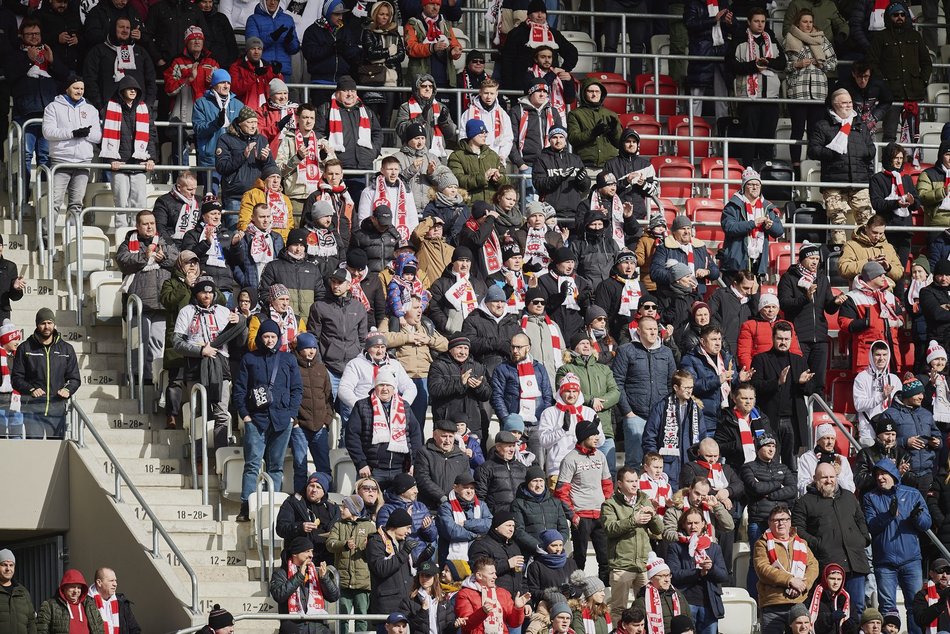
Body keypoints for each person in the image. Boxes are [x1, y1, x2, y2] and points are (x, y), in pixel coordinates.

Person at [232, 318, 300, 520]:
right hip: (256, 419)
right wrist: (245, 415)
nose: (270, 340)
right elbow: (240, 389)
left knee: (276, 466)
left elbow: (297, 389)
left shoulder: (288, 359)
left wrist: (291, 414)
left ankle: (273, 509)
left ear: (278, 338)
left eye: (273, 337)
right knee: (252, 465)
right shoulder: (249, 359)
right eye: (266, 336)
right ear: (260, 337)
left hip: (282, 420)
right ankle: (246, 506)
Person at [792, 463, 870, 623]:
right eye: (824, 477)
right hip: (828, 564)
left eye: (832, 477)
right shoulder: (804, 502)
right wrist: (818, 544)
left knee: (857, 608)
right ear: (815, 479)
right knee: (830, 611)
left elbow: (860, 519)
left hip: (855, 563)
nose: (829, 480)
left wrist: (863, 539)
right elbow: (798, 529)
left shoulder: (849, 497)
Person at [864, 459, 932, 634]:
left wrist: (917, 518)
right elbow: (871, 526)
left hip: (911, 560)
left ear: (893, 474)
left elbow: (927, 524)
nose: (880, 478)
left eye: (883, 474)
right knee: (888, 609)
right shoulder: (870, 497)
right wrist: (889, 515)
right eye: (877, 475)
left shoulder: (913, 494)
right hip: (884, 563)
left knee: (915, 606)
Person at [115, 210, 180, 384]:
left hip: (162, 303)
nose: (150, 227)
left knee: (158, 342)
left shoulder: (165, 241)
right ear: (137, 226)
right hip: (139, 304)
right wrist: (145, 256)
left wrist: (162, 259)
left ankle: (154, 377)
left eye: (152, 223)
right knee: (138, 342)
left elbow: (178, 261)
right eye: (145, 224)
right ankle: (136, 377)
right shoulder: (128, 243)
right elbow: (124, 262)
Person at [807, 88, 876, 245]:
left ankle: (863, 252)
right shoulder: (823, 125)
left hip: (859, 181)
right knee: (838, 221)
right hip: (833, 182)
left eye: (850, 102)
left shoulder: (860, 125)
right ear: (834, 105)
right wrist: (833, 152)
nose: (849, 105)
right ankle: (840, 253)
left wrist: (862, 152)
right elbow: (813, 150)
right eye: (844, 103)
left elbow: (871, 149)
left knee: (866, 219)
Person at [750, 320, 818, 469]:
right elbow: (755, 386)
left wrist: (802, 383)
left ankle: (791, 485)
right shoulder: (760, 359)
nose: (783, 342)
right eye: (780, 338)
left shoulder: (799, 361)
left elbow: (810, 389)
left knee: (792, 465)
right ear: (773, 338)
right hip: (769, 420)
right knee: (769, 464)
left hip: (793, 420)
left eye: (786, 339)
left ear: (791, 339)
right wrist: (777, 382)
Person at [777, 242, 845, 390]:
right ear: (802, 259)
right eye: (811, 258)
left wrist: (835, 302)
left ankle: (817, 404)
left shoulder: (822, 279)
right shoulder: (789, 278)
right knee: (797, 379)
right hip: (799, 337)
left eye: (817, 259)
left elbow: (829, 308)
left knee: (818, 381)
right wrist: (805, 298)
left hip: (820, 338)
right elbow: (784, 304)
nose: (815, 262)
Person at [345, 367, 424, 490]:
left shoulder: (404, 406)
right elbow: (352, 436)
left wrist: (414, 462)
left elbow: (415, 435)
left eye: (388, 385)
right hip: (372, 470)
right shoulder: (362, 406)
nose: (385, 389)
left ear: (394, 388)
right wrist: (361, 463)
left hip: (400, 470)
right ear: (375, 387)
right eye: (381, 385)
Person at [602, 467, 664, 624]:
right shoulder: (610, 504)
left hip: (643, 565)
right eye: (630, 481)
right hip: (621, 564)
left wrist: (653, 515)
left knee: (647, 608)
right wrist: (633, 521)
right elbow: (610, 529)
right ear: (619, 484)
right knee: (619, 609)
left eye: (636, 481)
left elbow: (659, 530)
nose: (635, 484)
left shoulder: (644, 500)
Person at [555, 420, 613, 585]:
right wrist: (572, 516)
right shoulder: (570, 459)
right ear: (583, 437)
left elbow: (607, 484)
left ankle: (604, 589)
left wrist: (607, 508)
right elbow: (561, 492)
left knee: (605, 558)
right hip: (581, 516)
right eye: (593, 435)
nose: (597, 438)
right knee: (580, 557)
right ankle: (576, 590)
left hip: (600, 515)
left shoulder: (600, 456)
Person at [741, 432, 798, 599]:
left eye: (773, 446)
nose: (771, 449)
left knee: (782, 557)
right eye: (767, 446)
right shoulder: (748, 467)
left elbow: (793, 490)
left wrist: (770, 493)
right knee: (757, 561)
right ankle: (754, 598)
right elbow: (755, 488)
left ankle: (778, 594)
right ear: (759, 448)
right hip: (759, 521)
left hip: (781, 522)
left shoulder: (783, 468)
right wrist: (779, 485)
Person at [726, 8, 786, 167]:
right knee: (749, 137)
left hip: (771, 98)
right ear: (748, 22)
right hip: (749, 98)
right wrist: (754, 66)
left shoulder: (772, 40)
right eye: (756, 21)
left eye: (763, 21)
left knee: (767, 139)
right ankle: (747, 169)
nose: (760, 24)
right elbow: (731, 65)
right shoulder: (739, 40)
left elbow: (782, 63)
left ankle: (765, 171)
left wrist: (768, 62)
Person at [867, 1, 931, 143]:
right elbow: (872, 63)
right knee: (890, 135)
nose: (900, 17)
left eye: (903, 14)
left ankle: (911, 158)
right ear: (888, 17)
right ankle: (890, 158)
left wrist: (923, 82)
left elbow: (926, 62)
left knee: (914, 136)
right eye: (895, 14)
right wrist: (883, 84)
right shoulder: (880, 37)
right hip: (891, 96)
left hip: (913, 95)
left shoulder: (915, 36)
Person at [42, 74, 102, 228]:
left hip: (83, 162)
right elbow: (48, 132)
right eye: (76, 88)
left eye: (82, 88)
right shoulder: (53, 107)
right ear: (67, 88)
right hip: (60, 161)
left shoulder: (91, 109)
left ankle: (73, 238)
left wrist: (85, 133)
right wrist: (72, 133)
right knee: (54, 202)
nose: (79, 91)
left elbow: (98, 136)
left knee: (76, 204)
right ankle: (46, 237)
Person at [12, 308, 81, 440]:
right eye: (43, 323)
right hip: (32, 409)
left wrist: (67, 390)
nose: (46, 327)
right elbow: (16, 378)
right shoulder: (25, 348)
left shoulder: (66, 349)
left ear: (54, 324)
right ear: (37, 325)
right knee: (35, 448)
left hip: (57, 410)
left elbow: (74, 378)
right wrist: (31, 389)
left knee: (55, 448)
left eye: (50, 323)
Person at [556, 333, 620, 473]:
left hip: (604, 427)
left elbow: (615, 392)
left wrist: (600, 403)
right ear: (573, 348)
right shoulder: (565, 369)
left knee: (609, 470)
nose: (586, 346)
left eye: (588, 343)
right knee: (583, 472)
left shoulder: (604, 369)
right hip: (579, 429)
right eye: (581, 343)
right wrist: (591, 401)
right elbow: (563, 392)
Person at [751, 504, 820, 634]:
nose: (781, 523)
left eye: (784, 519)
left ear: (790, 522)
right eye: (776, 520)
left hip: (798, 602)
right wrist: (790, 580)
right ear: (769, 523)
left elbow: (813, 565)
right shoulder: (762, 543)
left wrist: (803, 585)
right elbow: (762, 568)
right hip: (773, 603)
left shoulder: (801, 543)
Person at [784, 8, 838, 170]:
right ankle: (796, 166)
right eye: (804, 22)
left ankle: (811, 165)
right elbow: (782, 65)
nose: (808, 25)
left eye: (810, 22)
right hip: (797, 92)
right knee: (797, 130)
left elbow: (833, 62)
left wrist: (821, 64)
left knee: (816, 132)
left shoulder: (822, 39)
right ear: (798, 23)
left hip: (818, 93)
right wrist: (797, 64)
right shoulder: (789, 38)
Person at [99, 76, 158, 221]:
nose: (133, 91)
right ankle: (122, 233)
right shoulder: (109, 107)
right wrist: (111, 159)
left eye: (135, 89)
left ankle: (136, 233)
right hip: (118, 163)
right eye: (129, 88)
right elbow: (103, 135)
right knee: (121, 204)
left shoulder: (144, 108)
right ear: (121, 91)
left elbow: (151, 135)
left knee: (140, 204)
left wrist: (151, 158)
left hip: (139, 163)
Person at [666, 508, 729, 634]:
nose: (693, 526)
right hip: (686, 602)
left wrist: (711, 568)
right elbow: (674, 575)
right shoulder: (675, 547)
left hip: (710, 604)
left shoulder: (714, 548)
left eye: (696, 523)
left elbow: (724, 576)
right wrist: (698, 572)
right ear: (683, 525)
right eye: (689, 523)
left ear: (703, 524)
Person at [314, 76, 384, 188]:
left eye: (353, 91)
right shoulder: (326, 109)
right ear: (337, 93)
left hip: (364, 168)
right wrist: (328, 153)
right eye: (345, 91)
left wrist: (373, 151)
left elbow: (377, 133)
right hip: (337, 171)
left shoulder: (366, 110)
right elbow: (318, 133)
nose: (350, 94)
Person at [838, 261, 905, 376]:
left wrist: (895, 323)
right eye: (880, 275)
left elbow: (900, 317)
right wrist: (867, 322)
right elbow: (844, 323)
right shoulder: (853, 297)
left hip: (890, 353)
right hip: (866, 353)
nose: (884, 277)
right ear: (870, 277)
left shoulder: (889, 297)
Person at [681, 325, 747, 440]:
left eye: (719, 339)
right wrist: (718, 380)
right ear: (702, 341)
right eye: (713, 339)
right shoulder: (690, 359)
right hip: (705, 420)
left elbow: (731, 385)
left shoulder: (726, 357)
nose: (718, 343)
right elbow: (690, 386)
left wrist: (739, 380)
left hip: (726, 419)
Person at [642, 370, 705, 485]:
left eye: (691, 387)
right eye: (686, 387)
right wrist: (654, 462)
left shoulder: (695, 409)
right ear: (676, 387)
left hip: (690, 463)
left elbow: (702, 437)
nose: (690, 391)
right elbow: (649, 437)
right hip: (667, 465)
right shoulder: (661, 407)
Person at [720, 167, 784, 279]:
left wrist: (770, 226)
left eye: (757, 185)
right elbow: (729, 227)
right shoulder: (733, 206)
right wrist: (753, 223)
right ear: (744, 186)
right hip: (736, 264)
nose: (755, 187)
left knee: (755, 291)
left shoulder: (767, 207)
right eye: (750, 184)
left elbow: (779, 231)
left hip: (758, 264)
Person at [500, 0, 577, 91]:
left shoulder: (553, 33)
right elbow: (507, 61)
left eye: (543, 12)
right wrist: (509, 87)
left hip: (551, 86)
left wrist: (563, 70)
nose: (540, 15)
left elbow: (571, 52)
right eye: (536, 12)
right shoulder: (517, 33)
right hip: (523, 86)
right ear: (529, 15)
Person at [269, 536, 340, 634]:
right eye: (307, 551)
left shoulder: (316, 572)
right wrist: (299, 576)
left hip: (318, 628)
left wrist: (324, 578)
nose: (311, 555)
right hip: (294, 628)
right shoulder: (281, 573)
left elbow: (334, 597)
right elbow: (279, 595)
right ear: (295, 553)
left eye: (312, 551)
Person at [326, 495, 374, 634]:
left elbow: (375, 551)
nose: (341, 509)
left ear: (353, 509)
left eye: (345, 507)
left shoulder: (369, 526)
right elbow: (330, 544)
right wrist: (344, 545)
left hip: (363, 582)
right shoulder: (338, 525)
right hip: (343, 582)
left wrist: (368, 547)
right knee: (342, 617)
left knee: (361, 617)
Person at [220, 113, 280, 221]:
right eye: (250, 122)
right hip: (236, 196)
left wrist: (265, 159)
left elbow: (271, 168)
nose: (253, 126)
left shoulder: (261, 139)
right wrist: (243, 155)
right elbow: (221, 166)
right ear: (240, 123)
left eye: (255, 122)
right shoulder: (226, 139)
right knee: (236, 229)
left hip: (258, 195)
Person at [193, 69, 245, 192]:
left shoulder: (238, 105)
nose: (226, 86)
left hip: (233, 158)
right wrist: (215, 124)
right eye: (222, 82)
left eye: (228, 83)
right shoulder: (201, 103)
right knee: (211, 195)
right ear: (214, 84)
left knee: (231, 196)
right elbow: (198, 129)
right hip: (211, 158)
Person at [887, 376, 942, 494]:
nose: (921, 397)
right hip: (903, 473)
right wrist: (905, 442)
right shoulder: (890, 414)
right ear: (907, 395)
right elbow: (882, 442)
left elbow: (937, 435)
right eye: (917, 394)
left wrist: (937, 442)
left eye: (922, 393)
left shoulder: (926, 414)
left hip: (926, 474)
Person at [490, 331, 554, 430]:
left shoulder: (539, 368)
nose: (515, 351)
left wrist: (544, 418)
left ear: (528, 348)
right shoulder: (502, 369)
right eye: (512, 347)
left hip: (537, 424)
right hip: (513, 424)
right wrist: (507, 420)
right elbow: (497, 397)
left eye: (519, 347)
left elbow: (547, 395)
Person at [427, 335, 492, 433]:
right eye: (459, 347)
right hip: (447, 422)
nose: (463, 352)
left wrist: (479, 386)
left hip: (472, 423)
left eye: (466, 348)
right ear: (450, 349)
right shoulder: (438, 365)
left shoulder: (477, 366)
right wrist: (460, 383)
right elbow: (434, 389)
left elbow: (487, 395)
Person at [163, 25, 220, 134]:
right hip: (183, 115)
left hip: (207, 115)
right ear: (186, 42)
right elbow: (169, 90)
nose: (197, 41)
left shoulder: (212, 63)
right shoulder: (177, 62)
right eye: (193, 39)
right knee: (181, 143)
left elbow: (223, 88)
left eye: (200, 39)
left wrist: (213, 83)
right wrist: (188, 79)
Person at [532, 126, 589, 232]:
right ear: (549, 140)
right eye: (554, 137)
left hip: (574, 212)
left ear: (565, 139)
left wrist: (582, 180)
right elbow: (539, 183)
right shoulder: (541, 159)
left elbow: (585, 187)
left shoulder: (575, 159)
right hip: (552, 214)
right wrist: (559, 178)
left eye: (561, 137)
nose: (558, 141)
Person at [870, 142, 919, 264]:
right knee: (887, 267)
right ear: (888, 158)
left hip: (905, 231)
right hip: (886, 231)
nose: (899, 161)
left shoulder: (907, 178)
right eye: (896, 158)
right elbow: (877, 203)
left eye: (901, 158)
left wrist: (912, 202)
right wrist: (897, 203)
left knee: (901, 269)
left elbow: (917, 204)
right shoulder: (877, 179)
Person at [276, 471, 339, 566]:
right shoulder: (293, 502)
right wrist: (300, 527)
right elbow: (281, 528)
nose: (314, 490)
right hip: (300, 558)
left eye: (318, 487)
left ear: (324, 491)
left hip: (326, 558)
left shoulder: (332, 507)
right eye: (311, 486)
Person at [454, 556, 530, 634]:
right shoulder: (465, 594)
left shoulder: (503, 593)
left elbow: (514, 624)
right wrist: (482, 612)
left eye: (495, 573)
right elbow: (466, 625)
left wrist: (518, 608)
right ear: (479, 575)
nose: (495, 577)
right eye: (491, 574)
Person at [509, 82, 563, 189]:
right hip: (528, 165)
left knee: (550, 198)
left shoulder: (553, 111)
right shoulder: (517, 111)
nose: (542, 94)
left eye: (545, 91)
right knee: (530, 198)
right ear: (530, 93)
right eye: (538, 91)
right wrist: (520, 163)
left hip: (551, 165)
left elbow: (561, 139)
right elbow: (510, 140)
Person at [358, 1, 405, 123]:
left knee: (387, 117)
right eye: (381, 14)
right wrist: (388, 51)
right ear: (375, 14)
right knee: (372, 117)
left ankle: (386, 137)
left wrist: (382, 59)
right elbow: (370, 53)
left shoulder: (394, 32)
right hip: (372, 78)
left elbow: (401, 55)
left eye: (387, 15)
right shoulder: (368, 31)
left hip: (390, 80)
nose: (385, 17)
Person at [652, 216, 719, 299]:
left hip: (698, 294)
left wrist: (707, 271)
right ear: (674, 232)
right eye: (682, 229)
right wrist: (678, 277)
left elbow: (715, 271)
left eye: (688, 228)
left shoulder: (700, 247)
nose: (686, 232)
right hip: (673, 296)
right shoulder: (664, 248)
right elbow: (655, 272)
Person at [367, 508, 418, 614]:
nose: (409, 532)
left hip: (406, 605)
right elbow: (381, 569)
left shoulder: (403, 543)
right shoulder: (376, 542)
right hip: (388, 607)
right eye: (407, 527)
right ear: (397, 525)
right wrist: (404, 553)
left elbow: (410, 569)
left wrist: (423, 559)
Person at [468, 511, 527, 603]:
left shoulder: (514, 547)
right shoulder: (481, 544)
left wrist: (526, 601)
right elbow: (478, 569)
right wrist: (507, 564)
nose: (511, 529)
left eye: (513, 526)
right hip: (492, 600)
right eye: (508, 525)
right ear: (496, 526)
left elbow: (521, 576)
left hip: (516, 601)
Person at [436, 472, 493, 563]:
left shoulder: (482, 505)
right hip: (451, 560)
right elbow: (452, 532)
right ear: (455, 488)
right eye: (466, 487)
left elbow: (488, 524)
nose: (469, 491)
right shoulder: (445, 507)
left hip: (477, 555)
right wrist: (476, 535)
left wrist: (465, 524)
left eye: (472, 488)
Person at [448, 119, 509, 205]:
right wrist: (483, 178)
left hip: (492, 205)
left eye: (485, 132)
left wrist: (499, 178)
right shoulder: (457, 156)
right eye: (481, 132)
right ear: (472, 134)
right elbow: (457, 180)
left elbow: (506, 181)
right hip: (470, 206)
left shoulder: (492, 155)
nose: (485, 135)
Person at [404, 0, 462, 89]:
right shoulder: (412, 24)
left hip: (445, 80)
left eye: (438, 4)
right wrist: (431, 47)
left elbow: (454, 44)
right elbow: (410, 48)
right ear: (423, 5)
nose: (435, 7)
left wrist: (455, 51)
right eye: (431, 4)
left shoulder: (445, 23)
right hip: (421, 81)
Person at [416, 419, 472, 510]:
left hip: (455, 507)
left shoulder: (462, 456)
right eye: (444, 436)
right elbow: (422, 478)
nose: (448, 440)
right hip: (429, 507)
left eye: (451, 436)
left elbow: (466, 481)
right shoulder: (424, 452)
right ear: (434, 435)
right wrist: (442, 497)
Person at [567, 77, 622, 170]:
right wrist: (593, 133)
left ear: (601, 93)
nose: (594, 94)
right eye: (590, 91)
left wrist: (614, 132)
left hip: (610, 166)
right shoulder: (575, 114)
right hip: (586, 165)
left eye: (597, 91)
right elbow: (573, 139)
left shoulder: (611, 114)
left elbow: (619, 143)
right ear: (584, 93)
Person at [457, 79, 513, 169]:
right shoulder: (468, 113)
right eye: (486, 93)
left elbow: (508, 139)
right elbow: (463, 137)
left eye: (492, 93)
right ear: (480, 92)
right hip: (474, 162)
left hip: (496, 161)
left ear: (497, 94)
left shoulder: (503, 115)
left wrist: (502, 155)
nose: (489, 97)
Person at [854, 414, 915, 494]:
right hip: (873, 496)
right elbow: (859, 480)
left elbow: (912, 482)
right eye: (887, 434)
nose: (890, 439)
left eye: (893, 434)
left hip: (896, 497)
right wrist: (883, 470)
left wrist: (902, 474)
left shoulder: (903, 454)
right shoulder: (865, 453)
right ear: (878, 435)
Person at [631, 553, 690, 634]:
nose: (667, 580)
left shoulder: (678, 595)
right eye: (662, 576)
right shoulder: (642, 601)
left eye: (668, 575)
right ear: (651, 578)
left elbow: (690, 622)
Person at [838, 216, 903, 286]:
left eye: (881, 233)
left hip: (886, 291)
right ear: (866, 228)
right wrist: (868, 263)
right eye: (874, 232)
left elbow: (899, 273)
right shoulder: (851, 246)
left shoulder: (888, 247)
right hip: (861, 290)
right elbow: (844, 269)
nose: (877, 237)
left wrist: (888, 267)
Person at [475, 432, 529, 514]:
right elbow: (480, 497)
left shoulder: (522, 468)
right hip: (498, 516)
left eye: (513, 446)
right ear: (498, 447)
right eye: (509, 446)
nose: (512, 450)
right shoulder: (485, 469)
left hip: (520, 515)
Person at [36, 570, 104, 634]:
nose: (76, 591)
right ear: (63, 587)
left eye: (79, 587)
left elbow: (99, 629)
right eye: (72, 587)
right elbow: (41, 631)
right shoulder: (50, 606)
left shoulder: (90, 605)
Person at [708, 271, 756, 356]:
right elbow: (710, 316)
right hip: (725, 344)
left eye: (751, 288)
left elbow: (758, 315)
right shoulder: (720, 295)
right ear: (735, 283)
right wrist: (721, 337)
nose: (749, 292)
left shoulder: (752, 299)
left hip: (746, 346)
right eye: (745, 288)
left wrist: (755, 294)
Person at [797, 424, 856, 493]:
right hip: (815, 498)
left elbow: (850, 490)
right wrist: (820, 481)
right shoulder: (807, 458)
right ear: (818, 441)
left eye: (832, 438)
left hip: (838, 498)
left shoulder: (841, 460)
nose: (830, 442)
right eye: (826, 438)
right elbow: (802, 487)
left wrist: (838, 475)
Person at [522, 529, 577, 601]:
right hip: (548, 604)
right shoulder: (536, 566)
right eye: (554, 546)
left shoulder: (571, 563)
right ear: (545, 546)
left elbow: (580, 587)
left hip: (571, 603)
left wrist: (573, 591)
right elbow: (533, 591)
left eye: (560, 545)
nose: (558, 549)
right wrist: (553, 594)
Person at [801, 565, 857, 634]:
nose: (836, 582)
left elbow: (855, 624)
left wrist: (849, 626)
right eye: (832, 578)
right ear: (825, 579)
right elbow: (807, 626)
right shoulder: (813, 598)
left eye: (839, 579)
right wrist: (829, 619)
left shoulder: (845, 598)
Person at [228, 37, 279, 110]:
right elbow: (235, 89)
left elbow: (278, 89)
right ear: (247, 50)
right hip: (244, 110)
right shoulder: (236, 67)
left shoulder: (267, 67)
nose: (256, 52)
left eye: (259, 49)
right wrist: (254, 76)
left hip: (265, 110)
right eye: (253, 48)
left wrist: (277, 74)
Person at [0, 549, 35, 634]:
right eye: (4, 565)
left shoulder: (23, 592)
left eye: (11, 565)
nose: (8, 568)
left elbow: (31, 622)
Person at [912, 558, 950, 634]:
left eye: (948, 571)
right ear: (931, 574)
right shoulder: (922, 595)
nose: (944, 575)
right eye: (940, 571)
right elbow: (920, 620)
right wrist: (941, 603)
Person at [917, 141, 950, 227]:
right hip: (937, 223)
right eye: (948, 154)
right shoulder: (928, 174)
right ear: (941, 156)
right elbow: (921, 197)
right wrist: (943, 192)